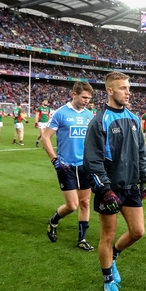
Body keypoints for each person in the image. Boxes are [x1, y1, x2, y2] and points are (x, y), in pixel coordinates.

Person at [83, 72, 146, 291]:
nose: (127, 92)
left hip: (130, 186)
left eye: (128, 88)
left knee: (138, 231)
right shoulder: (99, 121)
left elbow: (140, 151)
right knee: (107, 235)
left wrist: (143, 179)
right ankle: (108, 280)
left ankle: (114, 256)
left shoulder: (133, 118)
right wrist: (104, 188)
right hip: (109, 189)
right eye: (122, 88)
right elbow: (92, 160)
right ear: (110, 91)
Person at [41, 82, 95, 251]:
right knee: (72, 205)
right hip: (66, 165)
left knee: (85, 202)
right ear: (74, 94)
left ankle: (82, 239)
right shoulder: (61, 113)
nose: (87, 100)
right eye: (84, 97)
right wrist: (54, 159)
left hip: (84, 166)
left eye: (89, 98)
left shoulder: (90, 115)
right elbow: (46, 137)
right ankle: (54, 221)